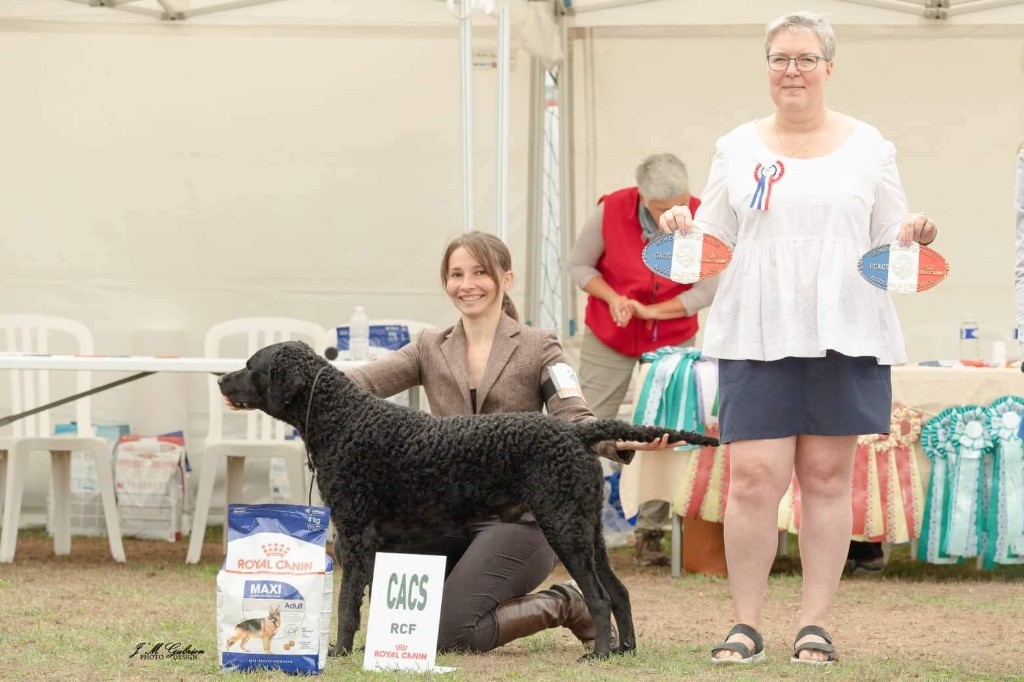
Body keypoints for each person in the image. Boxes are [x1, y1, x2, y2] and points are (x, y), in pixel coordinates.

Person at [659, 12, 936, 665]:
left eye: (806, 59)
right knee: (754, 477)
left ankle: (815, 623)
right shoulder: (737, 147)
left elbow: (890, 239)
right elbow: (711, 247)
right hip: (755, 327)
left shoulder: (871, 146)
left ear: (828, 68)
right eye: (781, 58)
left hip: (845, 327)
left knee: (826, 476)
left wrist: (913, 234)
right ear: (767, 68)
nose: (792, 69)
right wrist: (682, 228)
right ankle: (745, 624)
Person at [339, 231, 678, 653]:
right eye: (456, 274)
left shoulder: (540, 345)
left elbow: (573, 414)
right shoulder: (428, 345)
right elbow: (364, 380)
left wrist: (619, 440)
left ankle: (567, 603)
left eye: (480, 272)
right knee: (397, 632)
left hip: (518, 520)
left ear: (507, 278)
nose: (468, 284)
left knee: (448, 637)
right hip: (446, 519)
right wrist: (282, 384)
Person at [569, 153, 718, 567]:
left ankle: (651, 531)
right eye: (663, 208)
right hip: (609, 334)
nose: (676, 214)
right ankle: (573, 526)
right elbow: (578, 266)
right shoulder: (610, 210)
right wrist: (613, 297)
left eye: (682, 204)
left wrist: (653, 313)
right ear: (641, 197)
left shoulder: (704, 217)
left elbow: (707, 290)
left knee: (666, 430)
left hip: (671, 337)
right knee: (587, 425)